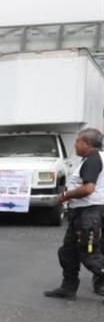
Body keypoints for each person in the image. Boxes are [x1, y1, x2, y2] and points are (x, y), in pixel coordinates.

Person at [44, 128, 104, 300]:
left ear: (87, 143)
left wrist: (65, 196)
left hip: (89, 213)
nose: (75, 145)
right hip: (83, 213)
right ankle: (68, 288)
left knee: (89, 253)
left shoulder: (93, 160)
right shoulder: (91, 159)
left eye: (78, 141)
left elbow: (88, 188)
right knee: (68, 252)